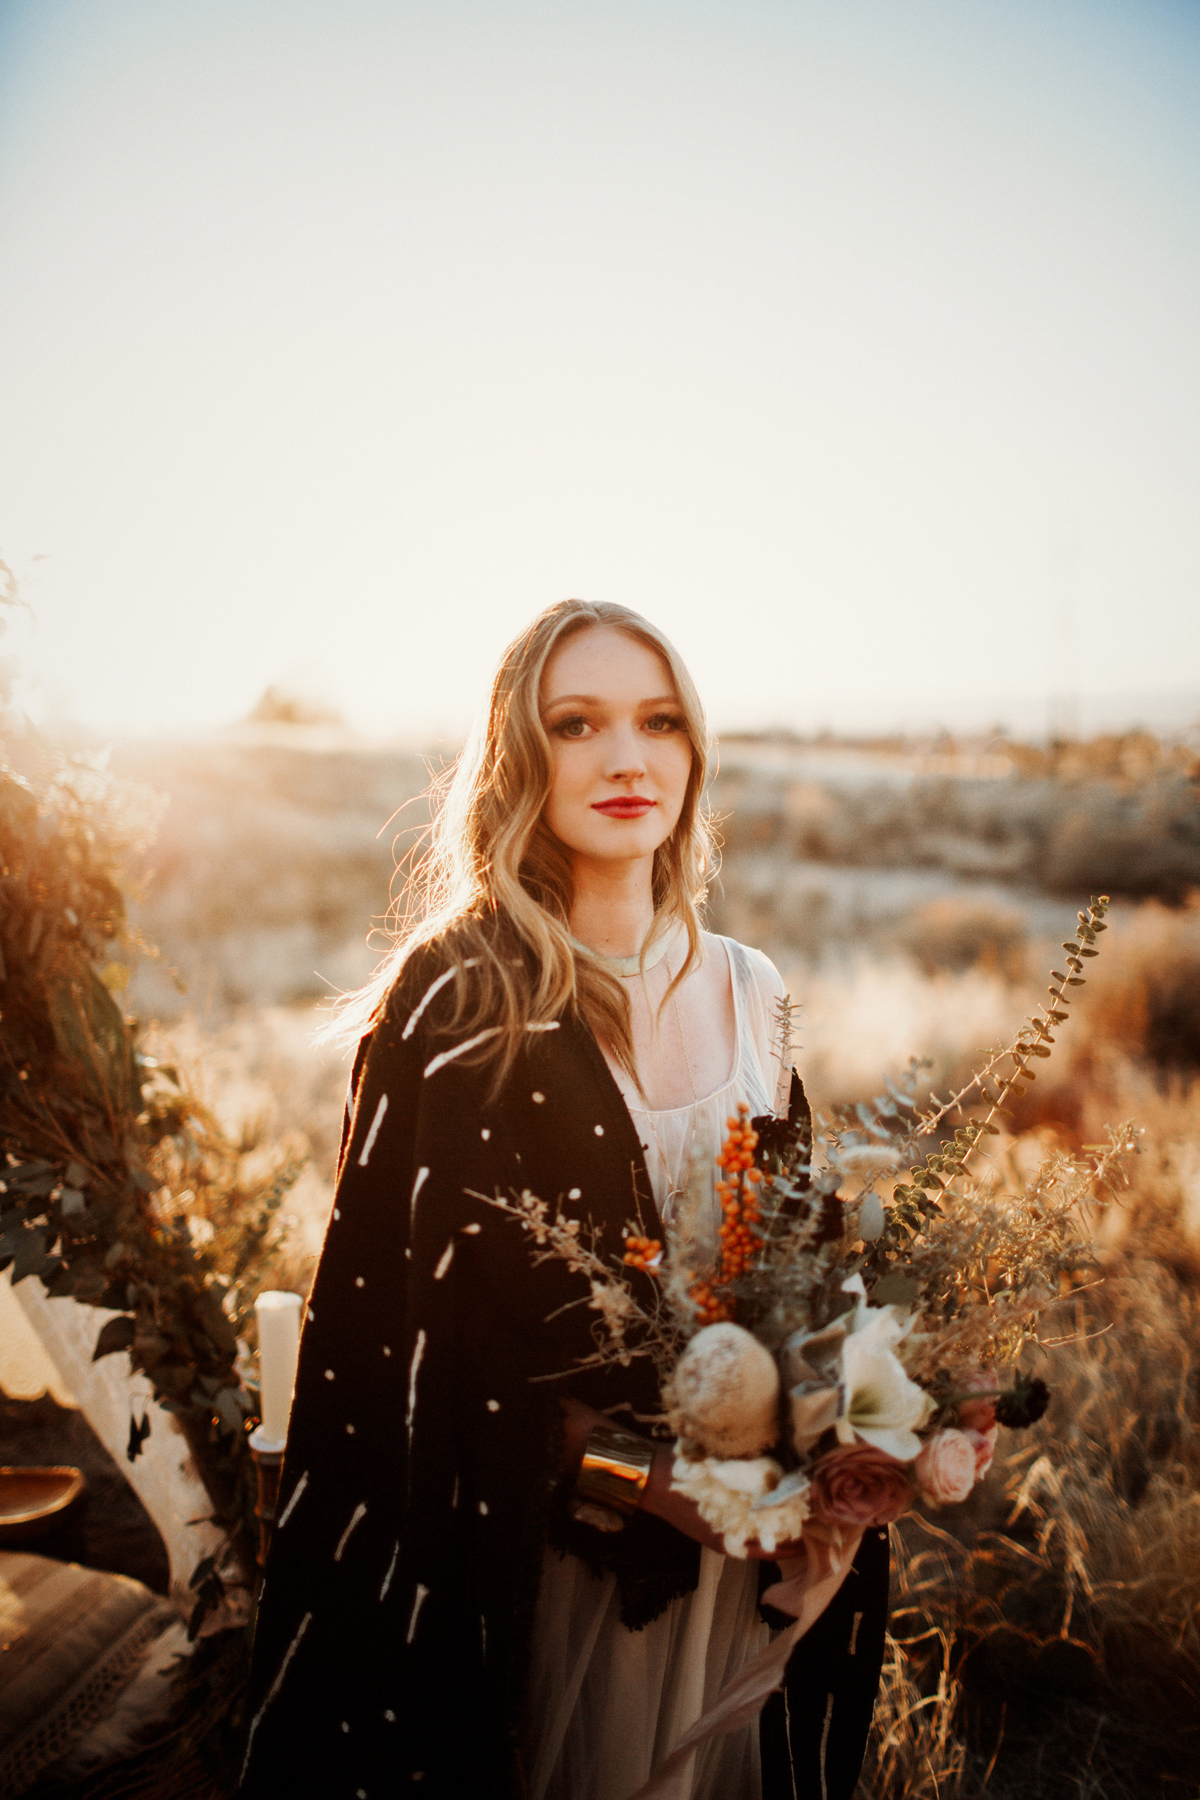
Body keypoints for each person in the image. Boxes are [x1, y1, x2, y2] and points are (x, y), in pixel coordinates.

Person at [238, 600, 888, 1800]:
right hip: (539, 1573)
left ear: (695, 752)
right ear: (517, 760)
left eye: (659, 722)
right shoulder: (457, 1005)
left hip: (750, 1564)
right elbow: (435, 1357)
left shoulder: (755, 990)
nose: (626, 758)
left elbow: (804, 1274)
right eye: (576, 723)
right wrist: (653, 1485)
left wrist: (843, 1477)